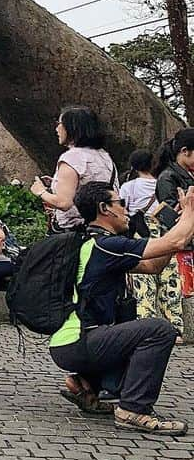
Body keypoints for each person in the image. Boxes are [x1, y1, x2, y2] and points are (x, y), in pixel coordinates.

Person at [49, 182, 194, 435]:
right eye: (121, 203)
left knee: (130, 326)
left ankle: (86, 384)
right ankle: (134, 409)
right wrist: (191, 213)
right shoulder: (108, 245)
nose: (126, 209)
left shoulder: (92, 243)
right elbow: (178, 240)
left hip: (70, 341)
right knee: (159, 330)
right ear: (105, 209)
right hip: (81, 340)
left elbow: (152, 266)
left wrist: (174, 228)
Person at [118, 148, 182, 337]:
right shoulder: (161, 183)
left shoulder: (128, 187)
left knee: (144, 282)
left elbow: (124, 211)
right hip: (164, 233)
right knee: (170, 278)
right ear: (152, 165)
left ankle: (147, 325)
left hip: (141, 234)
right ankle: (176, 327)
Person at [31, 106, 116, 231]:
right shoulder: (104, 156)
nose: (56, 129)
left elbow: (64, 203)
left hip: (74, 231)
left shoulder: (72, 158)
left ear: (72, 127)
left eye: (59, 123)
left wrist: (40, 191)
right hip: (103, 227)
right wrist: (57, 182)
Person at [152, 129, 194, 330]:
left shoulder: (188, 175)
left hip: (189, 239)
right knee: (183, 289)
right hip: (181, 244)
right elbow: (168, 214)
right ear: (185, 151)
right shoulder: (168, 177)